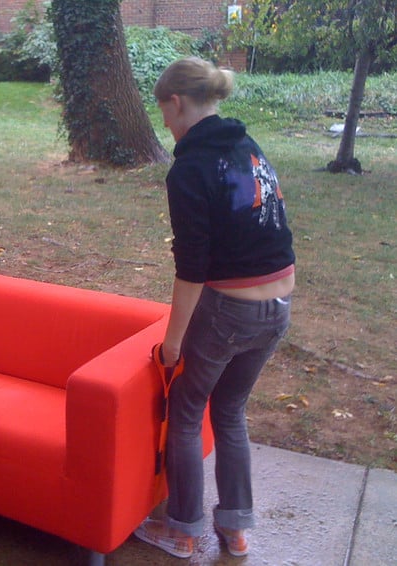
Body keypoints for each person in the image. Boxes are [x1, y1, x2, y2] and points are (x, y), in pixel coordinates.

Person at [133, 57, 295, 559]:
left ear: (177, 103)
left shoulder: (190, 167)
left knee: (185, 407)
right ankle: (236, 529)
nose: (164, 124)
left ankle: (182, 530)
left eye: (163, 113)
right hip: (279, 304)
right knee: (230, 409)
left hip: (230, 311)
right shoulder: (247, 146)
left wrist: (174, 342)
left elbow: (192, 266)